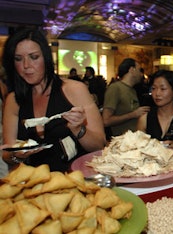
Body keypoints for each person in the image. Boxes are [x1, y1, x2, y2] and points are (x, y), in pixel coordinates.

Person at [1, 27, 105, 172]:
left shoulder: (74, 89)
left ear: (46, 57)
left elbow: (99, 145)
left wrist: (78, 129)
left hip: (75, 181)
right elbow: (8, 153)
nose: (26, 66)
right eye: (18, 59)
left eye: (34, 57)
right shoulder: (14, 100)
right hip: (34, 186)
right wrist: (15, 156)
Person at [102, 58, 150, 136]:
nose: (141, 74)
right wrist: (133, 114)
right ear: (132, 70)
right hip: (122, 141)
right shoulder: (115, 88)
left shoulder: (133, 90)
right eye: (139, 70)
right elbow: (106, 121)